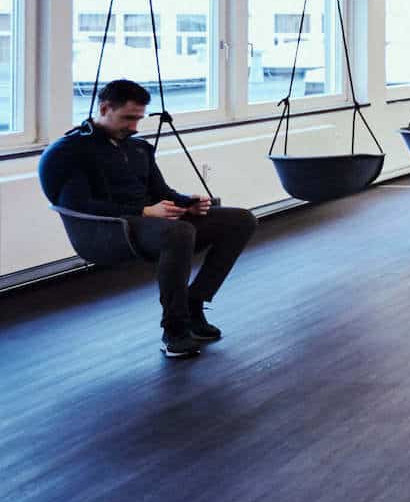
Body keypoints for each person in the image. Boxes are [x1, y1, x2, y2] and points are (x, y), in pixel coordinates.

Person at [37, 79, 258, 359]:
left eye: (138, 119)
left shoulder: (137, 148)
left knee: (241, 220)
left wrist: (187, 203)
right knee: (178, 233)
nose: (134, 127)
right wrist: (143, 212)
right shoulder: (69, 152)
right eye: (128, 118)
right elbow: (79, 204)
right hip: (107, 232)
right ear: (104, 108)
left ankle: (194, 302)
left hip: (149, 225)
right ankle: (175, 330)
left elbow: (161, 192)